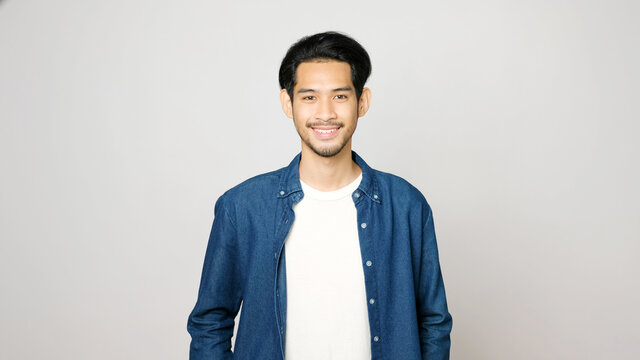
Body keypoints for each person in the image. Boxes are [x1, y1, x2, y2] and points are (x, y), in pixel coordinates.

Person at [187, 31, 452, 360]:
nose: (325, 113)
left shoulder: (407, 205)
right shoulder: (243, 207)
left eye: (340, 96)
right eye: (309, 97)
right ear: (288, 103)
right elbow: (210, 321)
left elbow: (434, 322)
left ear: (362, 101)